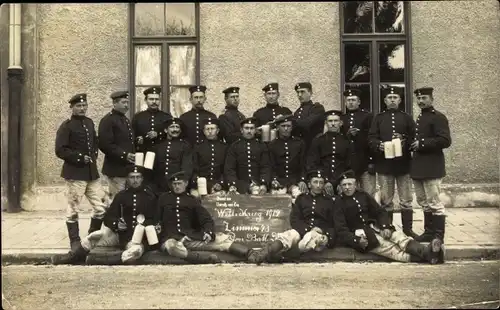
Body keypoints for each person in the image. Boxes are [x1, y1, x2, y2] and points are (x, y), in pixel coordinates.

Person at [51, 165, 157, 265]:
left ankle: (104, 260)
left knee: (135, 252)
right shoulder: (121, 196)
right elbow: (108, 218)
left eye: (138, 177)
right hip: (119, 236)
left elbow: (155, 219)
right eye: (132, 177)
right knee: (93, 237)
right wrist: (116, 224)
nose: (135, 180)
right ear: (127, 179)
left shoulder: (150, 197)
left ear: (142, 179)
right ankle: (72, 257)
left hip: (138, 238)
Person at [333, 170, 444, 264]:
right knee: (392, 250)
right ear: (340, 187)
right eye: (344, 185)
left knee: (400, 238)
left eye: (350, 184)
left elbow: (379, 211)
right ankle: (431, 255)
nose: (347, 187)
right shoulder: (338, 203)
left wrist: (385, 226)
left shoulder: (363, 195)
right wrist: (356, 241)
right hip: (364, 236)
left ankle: (430, 254)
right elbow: (341, 230)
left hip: (376, 227)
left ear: (355, 184)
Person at [156, 171, 261, 264]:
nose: (176, 187)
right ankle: (203, 259)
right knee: (172, 246)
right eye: (174, 184)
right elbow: (156, 219)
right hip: (171, 239)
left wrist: (208, 232)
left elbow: (206, 219)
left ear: (186, 183)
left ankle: (250, 254)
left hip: (190, 238)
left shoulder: (192, 200)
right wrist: (157, 227)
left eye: (179, 184)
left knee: (222, 240)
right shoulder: (163, 199)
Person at [250, 170, 339, 265]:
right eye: (315, 182)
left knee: (309, 239)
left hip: (318, 234)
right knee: (288, 235)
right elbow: (295, 219)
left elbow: (332, 223)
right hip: (301, 230)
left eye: (321, 182)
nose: (318, 185)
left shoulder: (329, 201)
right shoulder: (302, 199)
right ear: (309, 184)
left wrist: (326, 235)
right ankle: (263, 254)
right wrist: (307, 229)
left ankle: (278, 257)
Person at [55, 93, 107, 251]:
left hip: (91, 174)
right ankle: (75, 243)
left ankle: (91, 238)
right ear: (72, 107)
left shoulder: (89, 122)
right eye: (78, 106)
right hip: (75, 174)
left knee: (100, 208)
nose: (82, 108)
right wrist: (79, 157)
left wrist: (93, 156)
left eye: (84, 106)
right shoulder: (67, 126)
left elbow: (94, 143)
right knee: (73, 209)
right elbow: (60, 150)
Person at [368, 86, 418, 238]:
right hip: (385, 165)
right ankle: (388, 227)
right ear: (384, 101)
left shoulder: (407, 118)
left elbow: (414, 138)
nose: (392, 100)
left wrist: (404, 140)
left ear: (400, 100)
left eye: (395, 97)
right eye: (389, 98)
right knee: (386, 200)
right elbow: (371, 138)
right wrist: (379, 145)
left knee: (406, 200)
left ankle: (408, 230)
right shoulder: (379, 118)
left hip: (403, 165)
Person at [411, 87, 451, 243]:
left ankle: (438, 236)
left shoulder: (438, 117)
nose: (421, 101)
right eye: (419, 99)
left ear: (432, 99)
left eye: (424, 98)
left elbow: (445, 141)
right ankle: (429, 233)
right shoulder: (420, 117)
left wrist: (421, 143)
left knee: (434, 203)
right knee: (423, 202)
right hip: (418, 167)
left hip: (432, 167)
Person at [98, 90, 136, 203]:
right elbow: (105, 144)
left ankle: (122, 220)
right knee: (117, 200)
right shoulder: (108, 120)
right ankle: (114, 220)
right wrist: (124, 155)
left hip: (126, 168)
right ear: (115, 103)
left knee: (126, 199)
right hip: (115, 169)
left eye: (128, 103)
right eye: (124, 102)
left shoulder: (125, 120)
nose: (126, 105)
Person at [340, 88, 376, 197]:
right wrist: (347, 135)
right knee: (350, 194)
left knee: (368, 194)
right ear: (345, 102)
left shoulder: (367, 116)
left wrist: (372, 161)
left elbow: (373, 137)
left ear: (359, 102)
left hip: (365, 161)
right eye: (348, 100)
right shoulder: (342, 118)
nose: (350, 102)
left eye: (353, 100)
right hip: (349, 164)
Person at [306, 110, 351, 196]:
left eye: (336, 121)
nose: (333, 123)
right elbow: (312, 163)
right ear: (326, 123)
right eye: (330, 121)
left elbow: (349, 164)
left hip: (341, 182)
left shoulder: (346, 141)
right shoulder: (318, 140)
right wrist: (325, 181)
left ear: (341, 123)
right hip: (322, 181)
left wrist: (342, 182)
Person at [224, 117, 272, 195]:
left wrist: (264, 183)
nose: (249, 131)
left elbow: (265, 167)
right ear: (241, 130)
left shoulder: (261, 146)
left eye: (251, 128)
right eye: (246, 128)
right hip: (240, 184)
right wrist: (233, 184)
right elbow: (229, 169)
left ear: (255, 130)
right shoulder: (234, 146)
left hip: (258, 183)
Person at [267, 114, 308, 200]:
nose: (286, 128)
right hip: (279, 180)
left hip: (295, 180)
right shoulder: (272, 145)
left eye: (288, 126)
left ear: (292, 127)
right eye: (283, 126)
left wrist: (302, 180)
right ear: (278, 127)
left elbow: (303, 164)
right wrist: (274, 179)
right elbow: (271, 165)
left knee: (300, 196)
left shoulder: (299, 143)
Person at [152, 118, 193, 194]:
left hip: (177, 184)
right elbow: (154, 168)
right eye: (172, 127)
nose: (175, 130)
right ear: (166, 130)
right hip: (159, 186)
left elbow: (187, 167)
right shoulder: (158, 146)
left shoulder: (185, 146)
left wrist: (182, 184)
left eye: (177, 127)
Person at [191, 117, 228, 196]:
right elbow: (194, 168)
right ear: (204, 131)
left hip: (219, 184)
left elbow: (227, 169)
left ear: (217, 131)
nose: (210, 132)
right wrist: (197, 183)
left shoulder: (225, 147)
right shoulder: (198, 147)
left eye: (212, 129)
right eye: (207, 129)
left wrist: (220, 183)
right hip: (202, 184)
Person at [131, 86, 172, 153]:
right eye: (151, 99)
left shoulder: (167, 117)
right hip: (143, 152)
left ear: (160, 100)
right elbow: (132, 135)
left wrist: (158, 134)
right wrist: (137, 140)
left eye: (157, 99)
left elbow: (173, 135)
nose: (154, 102)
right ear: (146, 100)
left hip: (162, 153)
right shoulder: (138, 117)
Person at [292, 82, 326, 152]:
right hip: (299, 150)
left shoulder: (317, 108)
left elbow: (307, 123)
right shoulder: (297, 112)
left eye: (302, 92)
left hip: (313, 148)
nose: (299, 95)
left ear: (310, 93)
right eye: (298, 92)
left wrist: (289, 119)